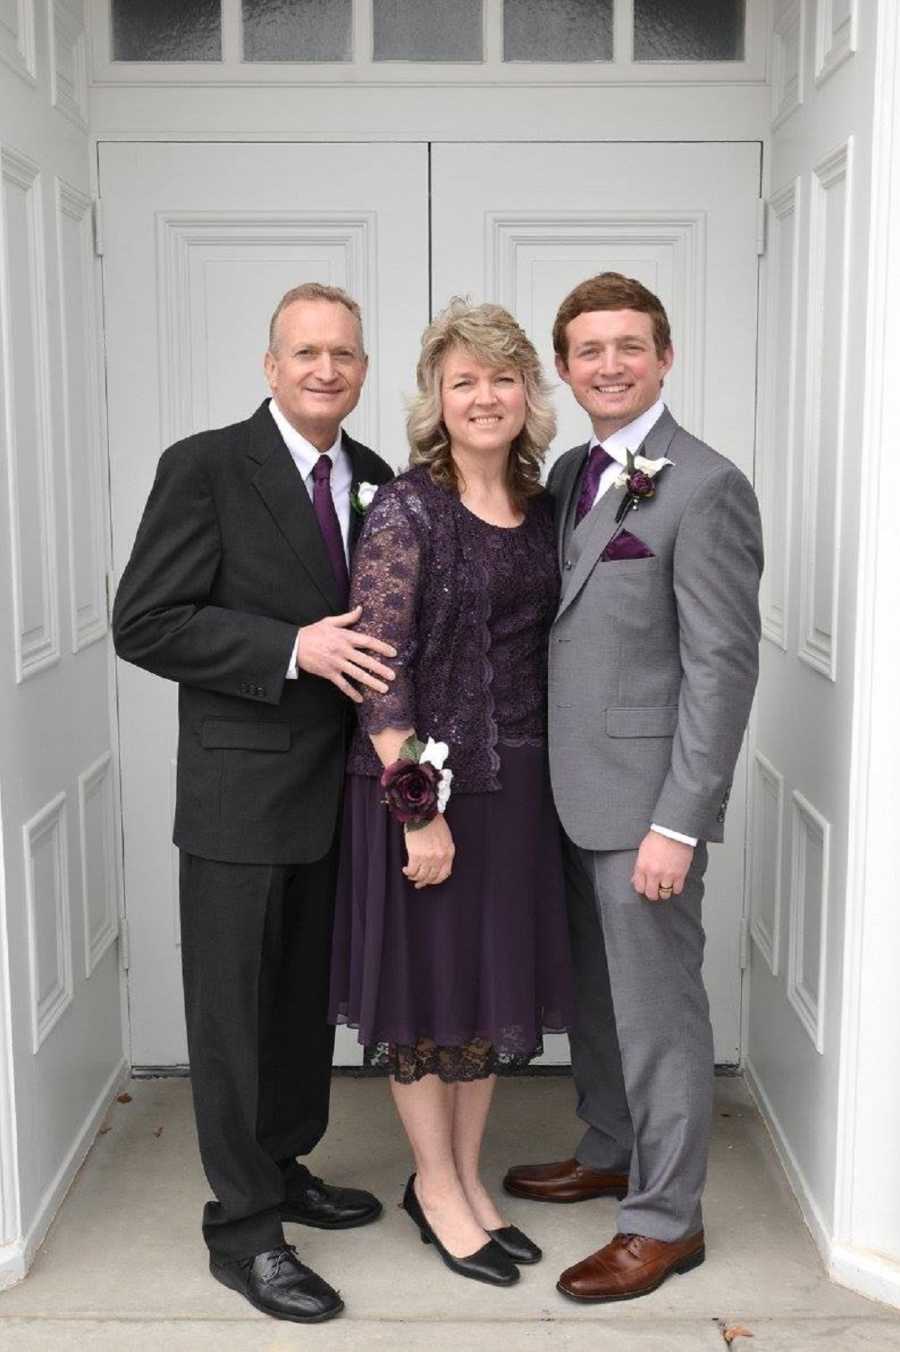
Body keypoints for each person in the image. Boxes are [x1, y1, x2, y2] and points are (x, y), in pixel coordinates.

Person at [112, 283, 396, 1325]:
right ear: (270, 366)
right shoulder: (203, 465)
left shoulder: (372, 478)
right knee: (231, 1013)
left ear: (363, 371)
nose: (327, 369)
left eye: (345, 354)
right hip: (237, 787)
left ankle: (281, 1167)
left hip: (338, 791)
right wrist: (291, 647)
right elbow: (145, 621)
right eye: (306, 351)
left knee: (294, 1001)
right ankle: (243, 1229)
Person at [503, 273, 763, 1302]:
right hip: (568, 796)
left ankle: (666, 1219)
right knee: (599, 1001)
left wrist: (678, 821)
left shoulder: (706, 484)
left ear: (664, 355)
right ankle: (609, 1147)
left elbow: (722, 666)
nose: (609, 363)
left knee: (659, 1014)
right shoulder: (570, 470)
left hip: (646, 805)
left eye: (630, 346)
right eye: (589, 349)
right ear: (565, 369)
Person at [328, 300, 574, 1288]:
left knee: (479, 998)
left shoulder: (545, 506)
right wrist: (417, 808)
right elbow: (376, 672)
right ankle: (433, 1186)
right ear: (436, 396)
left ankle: (463, 1182)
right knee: (426, 1002)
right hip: (424, 791)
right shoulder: (406, 508)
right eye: (463, 379)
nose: (484, 395)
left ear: (527, 393)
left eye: (502, 377)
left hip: (517, 791)